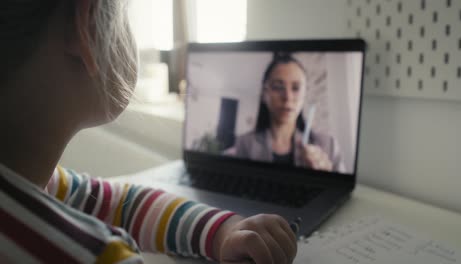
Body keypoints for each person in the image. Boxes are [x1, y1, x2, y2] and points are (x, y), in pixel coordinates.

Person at [0, 1, 297, 263]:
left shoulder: (36, 180)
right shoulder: (101, 256)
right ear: (88, 26)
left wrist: (221, 231)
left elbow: (114, 203)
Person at [228, 53, 345, 172]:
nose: (287, 97)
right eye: (278, 87)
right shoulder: (245, 143)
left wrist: (327, 178)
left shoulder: (329, 146)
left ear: (304, 94)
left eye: (296, 88)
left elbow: (345, 190)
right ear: (264, 94)